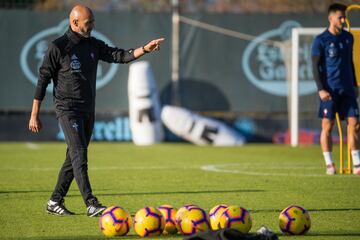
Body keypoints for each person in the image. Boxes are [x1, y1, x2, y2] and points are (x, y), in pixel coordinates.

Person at [28, 4, 165, 216]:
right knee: (79, 155)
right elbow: (42, 80)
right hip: (67, 109)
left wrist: (145, 49)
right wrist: (34, 113)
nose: (92, 25)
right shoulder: (58, 47)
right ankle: (91, 203)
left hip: (87, 110)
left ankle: (55, 201)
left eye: (92, 21)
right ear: (74, 23)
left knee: (72, 158)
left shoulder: (93, 45)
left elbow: (120, 56)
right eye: (88, 23)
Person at [311, 3, 360, 175]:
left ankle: (357, 165)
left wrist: (355, 85)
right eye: (340, 17)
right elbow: (315, 67)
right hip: (329, 91)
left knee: (354, 124)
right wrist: (321, 89)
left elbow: (350, 63)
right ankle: (330, 164)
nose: (343, 20)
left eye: (344, 17)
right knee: (328, 126)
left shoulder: (348, 38)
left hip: (347, 90)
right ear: (330, 18)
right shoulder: (320, 40)